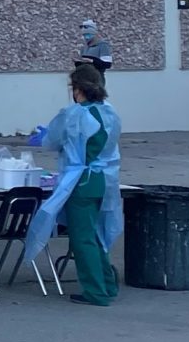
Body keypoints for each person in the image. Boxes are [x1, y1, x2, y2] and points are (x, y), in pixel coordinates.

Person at [25, 63, 123, 306]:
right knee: (96, 236)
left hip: (80, 181)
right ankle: (107, 285)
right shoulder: (109, 112)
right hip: (102, 180)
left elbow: (54, 140)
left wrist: (45, 136)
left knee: (82, 239)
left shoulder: (76, 114)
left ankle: (95, 292)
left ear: (78, 88)